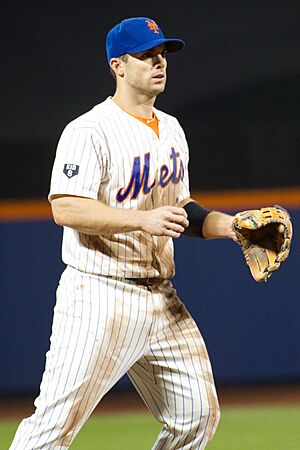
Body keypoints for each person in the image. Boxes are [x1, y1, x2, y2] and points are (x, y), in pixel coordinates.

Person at [9, 17, 236, 450]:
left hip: (161, 298)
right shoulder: (87, 131)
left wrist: (228, 226)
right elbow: (65, 207)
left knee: (197, 415)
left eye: (163, 53)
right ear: (118, 65)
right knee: (51, 428)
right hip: (99, 295)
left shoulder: (171, 128)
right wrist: (141, 220)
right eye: (146, 55)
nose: (159, 62)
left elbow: (180, 206)